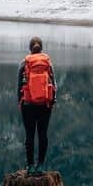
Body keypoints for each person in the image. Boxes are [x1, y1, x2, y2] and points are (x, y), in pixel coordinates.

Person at [17, 36, 56, 174]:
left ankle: (30, 166)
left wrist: (20, 102)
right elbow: (54, 84)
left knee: (29, 135)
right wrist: (52, 101)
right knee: (43, 134)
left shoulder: (24, 63)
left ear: (30, 48)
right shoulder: (47, 62)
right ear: (41, 48)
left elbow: (19, 86)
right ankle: (41, 166)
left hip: (28, 104)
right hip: (45, 104)